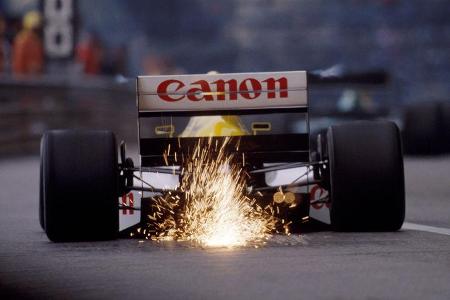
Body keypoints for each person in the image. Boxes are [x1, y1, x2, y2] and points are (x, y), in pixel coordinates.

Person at [11, 11, 44, 75]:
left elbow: (39, 61)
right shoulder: (22, 40)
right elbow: (18, 63)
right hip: (25, 80)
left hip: (36, 78)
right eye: (36, 27)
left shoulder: (37, 41)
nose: (38, 29)